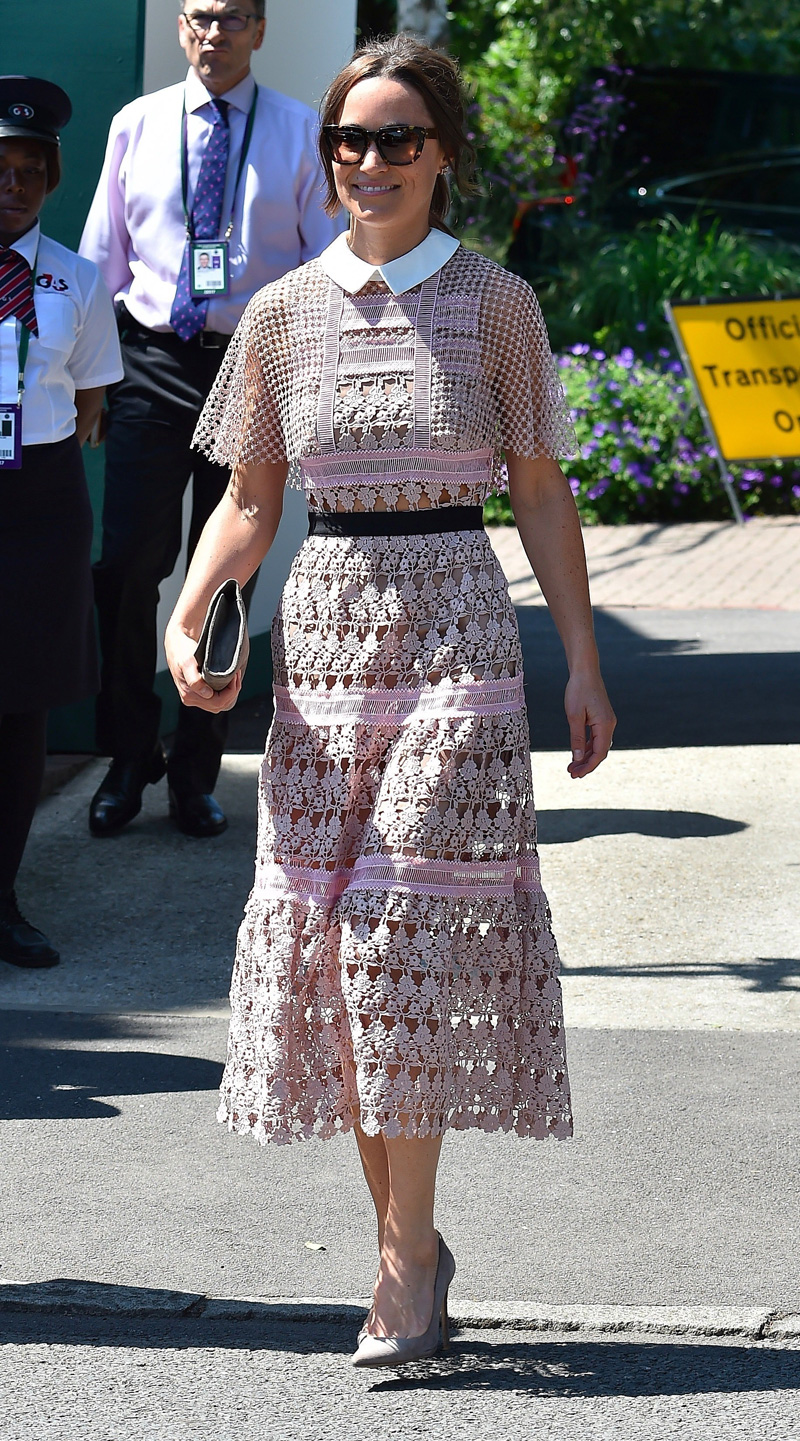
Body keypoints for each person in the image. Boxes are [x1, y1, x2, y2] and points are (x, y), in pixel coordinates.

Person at [165, 34, 616, 1366]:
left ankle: (403, 1268)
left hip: (461, 632)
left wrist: (583, 662)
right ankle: (405, 1253)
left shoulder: (498, 305)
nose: (371, 162)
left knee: (393, 935)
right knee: (349, 958)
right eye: (350, 141)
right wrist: (186, 617)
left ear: (444, 157)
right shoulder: (284, 313)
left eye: (399, 139)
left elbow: (540, 490)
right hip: (326, 638)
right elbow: (250, 502)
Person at [79, 0, 339, 840]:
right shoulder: (139, 123)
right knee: (125, 566)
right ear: (182, 27)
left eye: (231, 18)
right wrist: (88, 378)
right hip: (151, 361)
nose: (212, 34)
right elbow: (99, 259)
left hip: (253, 366)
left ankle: (196, 768)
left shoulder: (300, 131)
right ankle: (127, 753)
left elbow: (320, 269)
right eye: (198, 17)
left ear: (260, 29)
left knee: (226, 569)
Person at [0, 77, 123, 968]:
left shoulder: (76, 278)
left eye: (30, 171)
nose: (12, 184)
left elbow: (88, 399)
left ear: (51, 182)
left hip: (38, 502)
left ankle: (2, 896)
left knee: (20, 711)